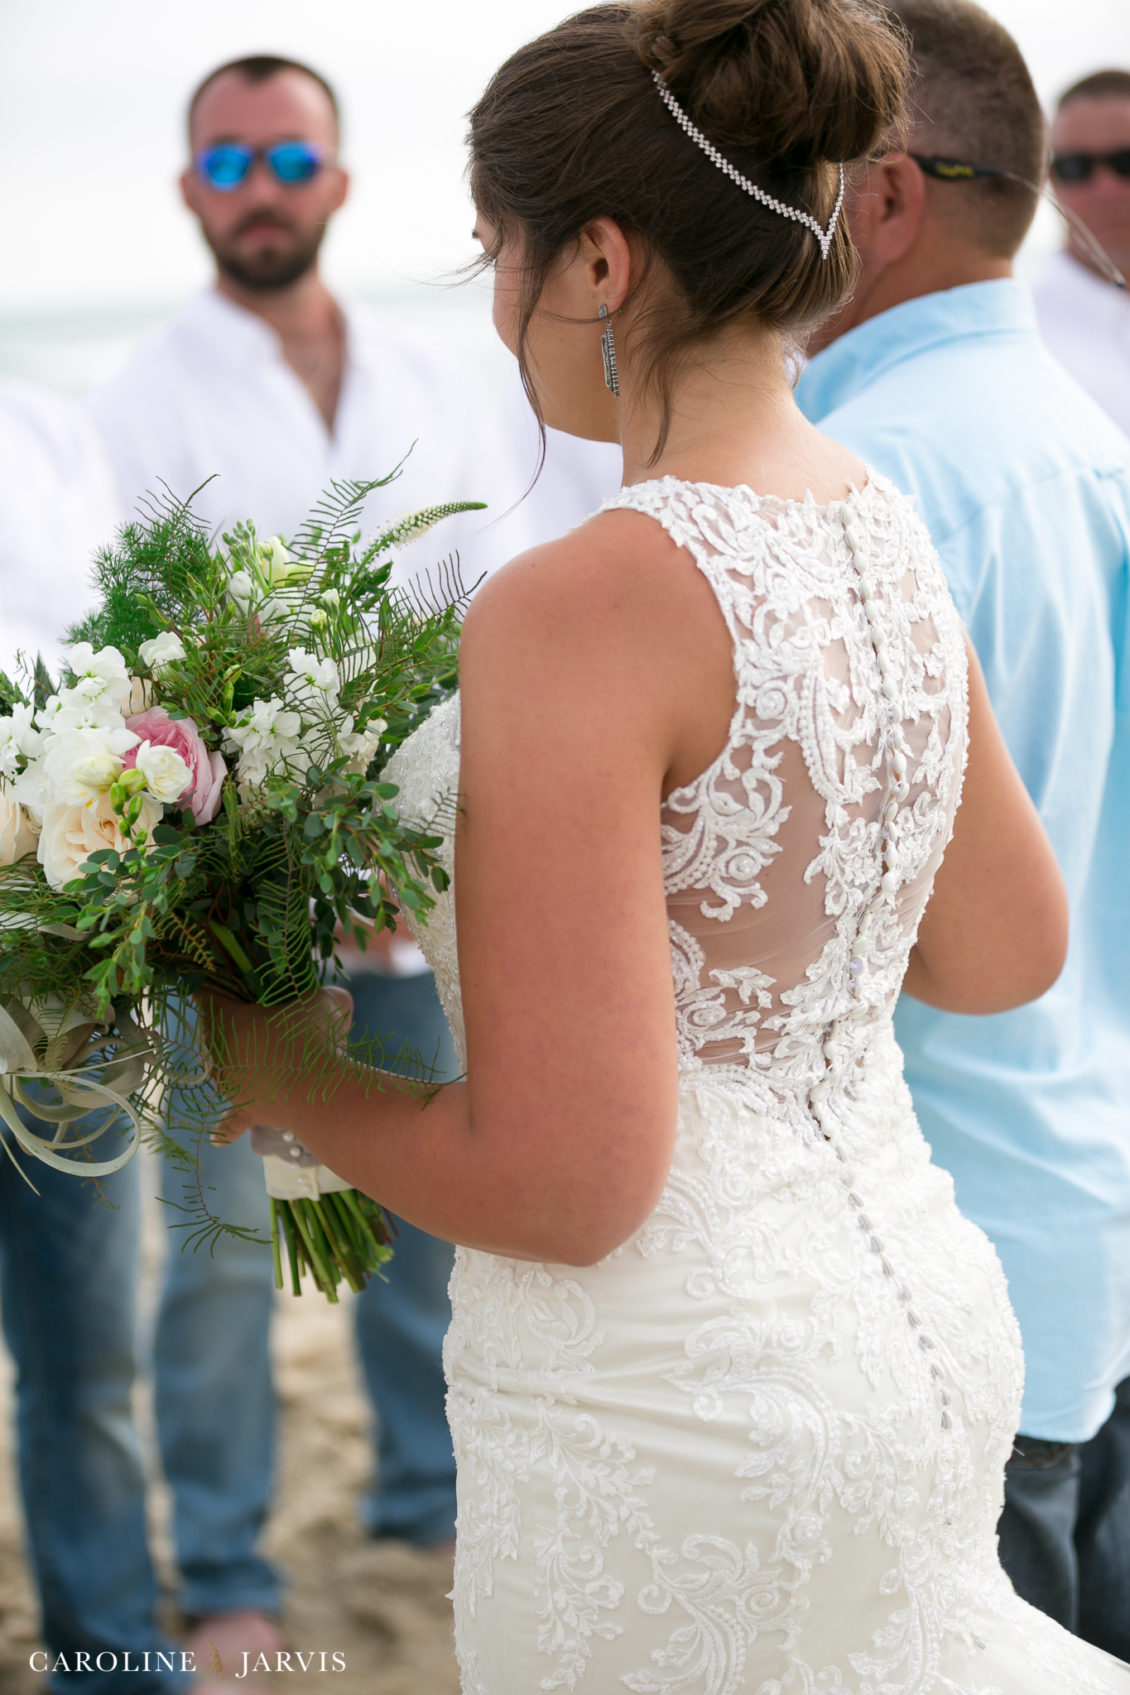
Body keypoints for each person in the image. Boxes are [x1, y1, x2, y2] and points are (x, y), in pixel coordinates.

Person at [199, 0, 1130, 1687]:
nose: (496, 307)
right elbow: (1009, 955)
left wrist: (295, 1078)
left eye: (502, 251)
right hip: (923, 1334)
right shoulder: (880, 515)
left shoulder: (585, 602)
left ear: (604, 263)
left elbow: (569, 1184)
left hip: (682, 1409)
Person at [90, 51, 617, 1668]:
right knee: (225, 1256)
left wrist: (421, 838)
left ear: (337, 180)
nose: (262, 191)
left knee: (425, 1231)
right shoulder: (139, 398)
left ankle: (418, 1509)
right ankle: (234, 1565)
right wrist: (267, 848)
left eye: (286, 161)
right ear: (193, 192)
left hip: (420, 884)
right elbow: (135, 656)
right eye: (230, 165)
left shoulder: (432, 377)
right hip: (225, 908)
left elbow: (491, 610)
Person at [795, 0, 1130, 1656]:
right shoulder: (1083, 442)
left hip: (937, 1274)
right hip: (1080, 1222)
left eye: (788, 168)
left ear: (885, 198)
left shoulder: (870, 485)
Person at [0, 380, 246, 1695]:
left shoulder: (50, 429)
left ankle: (104, 1655)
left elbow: (119, 660)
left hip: (66, 961)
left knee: (87, 1350)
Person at [1032, 69, 1130, 437]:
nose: (1105, 189)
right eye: (1077, 168)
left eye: (1126, 162)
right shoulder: (1026, 331)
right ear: (1050, 180)